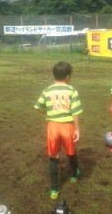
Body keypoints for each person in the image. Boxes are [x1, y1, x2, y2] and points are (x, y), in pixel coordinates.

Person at [34, 61, 83, 199]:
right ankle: (74, 175)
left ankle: (54, 189)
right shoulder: (72, 90)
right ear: (68, 76)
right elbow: (76, 112)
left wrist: (48, 113)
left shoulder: (47, 90)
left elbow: (37, 106)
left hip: (53, 126)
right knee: (71, 152)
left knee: (54, 156)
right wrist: (77, 129)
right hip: (67, 126)